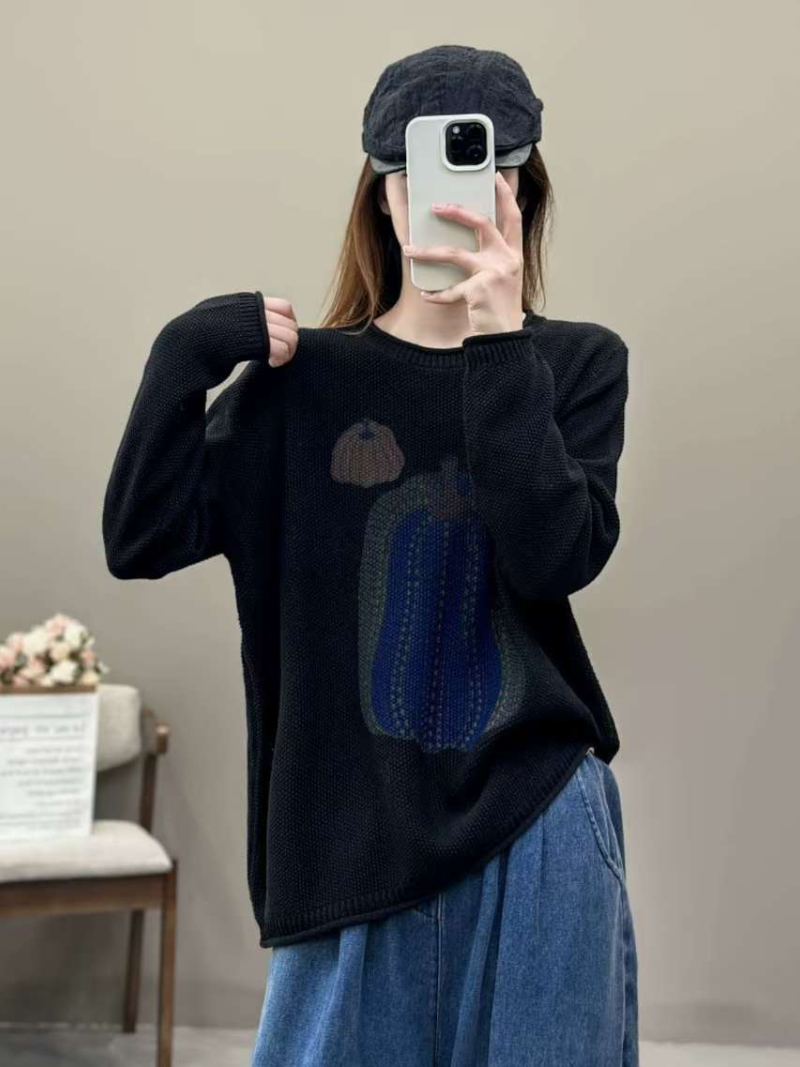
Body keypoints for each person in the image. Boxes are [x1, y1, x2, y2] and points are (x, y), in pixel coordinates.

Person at [103, 43, 638, 1067]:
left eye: (490, 176)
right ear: (383, 199)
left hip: (539, 831)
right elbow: (140, 535)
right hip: (343, 846)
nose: (454, 205)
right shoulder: (300, 387)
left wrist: (498, 341)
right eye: (418, 178)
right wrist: (181, 355)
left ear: (522, 194)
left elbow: (552, 557)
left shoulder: (575, 365)